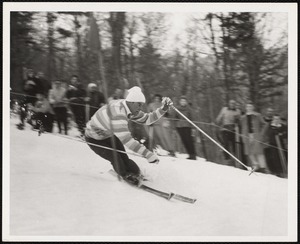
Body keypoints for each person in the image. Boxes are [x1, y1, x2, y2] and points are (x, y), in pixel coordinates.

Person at [85, 86, 173, 185]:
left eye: (141, 105)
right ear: (132, 102)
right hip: (94, 139)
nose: (140, 108)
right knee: (115, 157)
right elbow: (128, 141)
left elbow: (147, 119)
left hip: (108, 135)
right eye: (139, 105)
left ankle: (137, 174)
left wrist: (163, 109)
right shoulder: (118, 113)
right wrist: (148, 154)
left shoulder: (129, 107)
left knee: (124, 157)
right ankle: (126, 175)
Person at [240, 102, 270, 173]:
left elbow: (265, 124)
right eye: (248, 107)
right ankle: (256, 165)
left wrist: (261, 134)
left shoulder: (257, 115)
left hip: (256, 135)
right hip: (247, 135)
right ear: (246, 108)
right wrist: (242, 135)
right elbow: (242, 127)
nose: (249, 108)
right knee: (249, 152)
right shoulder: (243, 117)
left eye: (250, 106)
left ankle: (263, 167)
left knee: (259, 152)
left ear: (253, 107)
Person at [174, 96, 196, 160]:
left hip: (187, 126)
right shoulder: (177, 109)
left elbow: (192, 118)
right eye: (181, 101)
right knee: (184, 141)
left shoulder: (189, 109)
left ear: (186, 102)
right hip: (180, 126)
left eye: (184, 101)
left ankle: (193, 154)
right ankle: (189, 154)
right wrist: (176, 119)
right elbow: (175, 117)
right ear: (180, 102)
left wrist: (193, 127)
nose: (183, 102)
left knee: (189, 140)